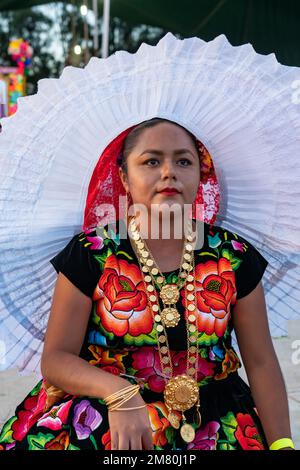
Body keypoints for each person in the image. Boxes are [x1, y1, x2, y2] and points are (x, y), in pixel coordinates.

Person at [0, 118, 295, 451]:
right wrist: (118, 394)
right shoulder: (91, 254)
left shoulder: (234, 256)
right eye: (151, 161)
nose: (168, 171)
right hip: (106, 417)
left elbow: (261, 362)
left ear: (201, 176)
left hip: (217, 421)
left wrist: (282, 443)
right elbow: (55, 359)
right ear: (125, 177)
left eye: (184, 161)